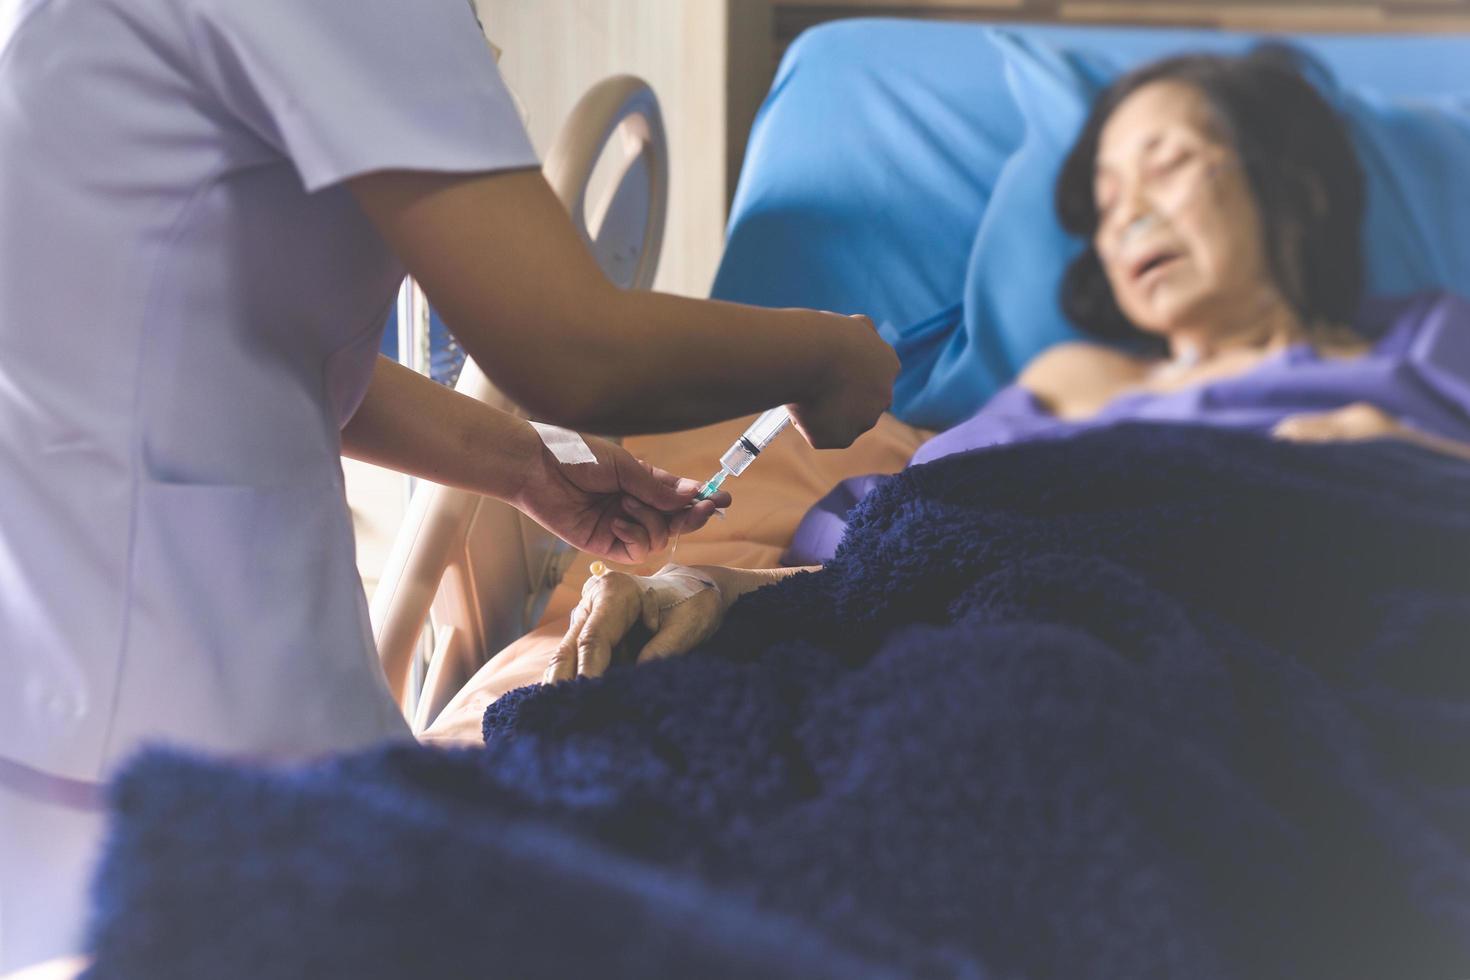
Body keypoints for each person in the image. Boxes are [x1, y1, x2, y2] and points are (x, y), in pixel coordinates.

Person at [0, 0, 897, 970]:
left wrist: (524, 466)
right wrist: (826, 353)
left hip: (98, 647)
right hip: (146, 687)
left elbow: (224, 332)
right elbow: (570, 344)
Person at [552, 45, 1470, 682]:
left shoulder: (1428, 344)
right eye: (1108, 201)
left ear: (1293, 186)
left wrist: (1394, 457)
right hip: (1058, 653)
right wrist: (707, 585)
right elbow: (910, 554)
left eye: (1171, 165)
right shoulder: (1075, 383)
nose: (1132, 217)